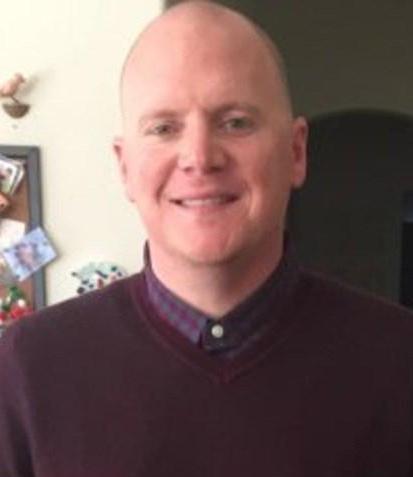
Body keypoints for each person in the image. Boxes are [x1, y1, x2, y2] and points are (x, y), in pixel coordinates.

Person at [1, 1, 413, 476]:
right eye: (164, 128)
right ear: (125, 167)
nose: (199, 157)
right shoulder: (27, 371)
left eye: (235, 122)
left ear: (296, 152)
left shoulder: (400, 362)